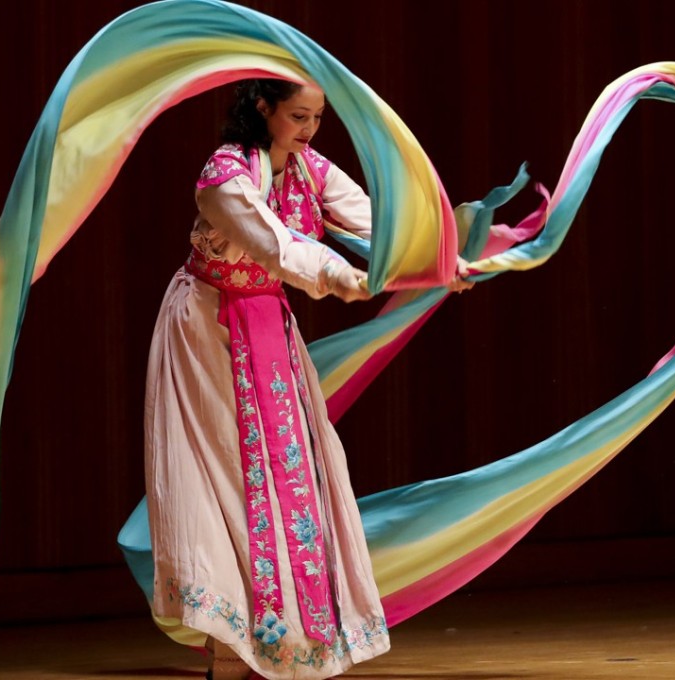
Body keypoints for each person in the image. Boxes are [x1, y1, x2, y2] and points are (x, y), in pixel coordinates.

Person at [144, 79, 470, 680]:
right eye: (299, 115)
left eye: (318, 117)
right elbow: (278, 246)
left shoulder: (310, 168)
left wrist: (439, 259)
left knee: (286, 478)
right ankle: (228, 646)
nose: (310, 129)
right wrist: (346, 278)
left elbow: (378, 222)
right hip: (207, 330)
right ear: (262, 108)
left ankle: (283, 638)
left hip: (266, 327)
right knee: (224, 478)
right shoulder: (224, 178)